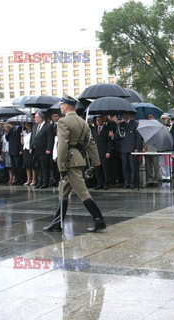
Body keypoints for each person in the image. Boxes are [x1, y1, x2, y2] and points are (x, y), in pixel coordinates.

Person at [43, 94, 106, 233]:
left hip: (69, 161)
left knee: (82, 192)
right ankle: (57, 222)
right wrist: (96, 163)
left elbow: (63, 145)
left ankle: (99, 220)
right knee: (64, 192)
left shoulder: (63, 122)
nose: (60, 107)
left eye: (61, 105)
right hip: (78, 158)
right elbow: (91, 143)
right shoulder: (83, 122)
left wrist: (61, 165)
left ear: (66, 106)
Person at [115, 112, 142, 189]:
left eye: (126, 115)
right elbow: (118, 137)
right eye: (124, 115)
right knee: (125, 167)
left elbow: (138, 137)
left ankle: (133, 182)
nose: (125, 116)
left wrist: (137, 148)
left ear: (130, 115)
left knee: (133, 167)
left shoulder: (135, 124)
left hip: (132, 149)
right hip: (124, 149)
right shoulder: (120, 125)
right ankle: (127, 182)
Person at [31, 112, 54, 189]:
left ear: (40, 118)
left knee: (44, 167)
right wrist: (31, 147)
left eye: (36, 117)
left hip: (44, 150)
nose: (35, 119)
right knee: (37, 167)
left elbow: (50, 138)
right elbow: (33, 137)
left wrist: (48, 148)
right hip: (35, 150)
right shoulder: (34, 126)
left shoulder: (48, 126)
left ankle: (45, 182)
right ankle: (39, 181)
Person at [92, 115, 113, 190]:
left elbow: (109, 142)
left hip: (104, 152)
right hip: (96, 152)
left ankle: (106, 183)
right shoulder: (94, 129)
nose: (99, 122)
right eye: (97, 120)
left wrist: (108, 152)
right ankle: (99, 183)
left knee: (105, 169)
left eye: (100, 120)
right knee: (98, 169)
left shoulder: (107, 129)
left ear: (103, 121)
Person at [144, 113, 161, 187]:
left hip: (155, 147)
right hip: (147, 147)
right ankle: (149, 179)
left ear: (154, 118)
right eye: (148, 117)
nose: (149, 119)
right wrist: (143, 146)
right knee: (147, 165)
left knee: (155, 165)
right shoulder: (145, 127)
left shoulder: (157, 126)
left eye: (151, 117)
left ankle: (156, 179)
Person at [22, 122, 36, 186]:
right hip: (25, 149)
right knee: (27, 165)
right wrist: (21, 136)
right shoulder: (24, 132)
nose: (26, 126)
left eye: (27, 124)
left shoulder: (33, 132)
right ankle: (28, 179)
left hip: (30, 149)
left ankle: (33, 179)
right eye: (25, 124)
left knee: (32, 165)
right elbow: (22, 142)